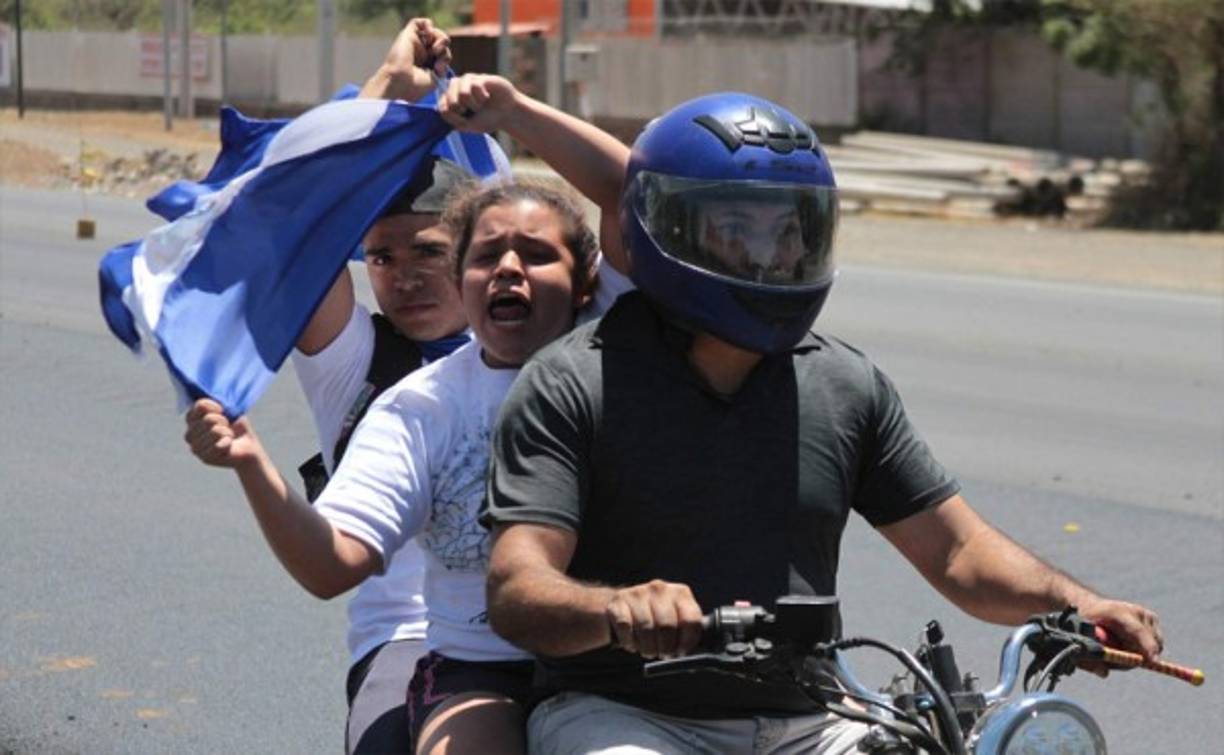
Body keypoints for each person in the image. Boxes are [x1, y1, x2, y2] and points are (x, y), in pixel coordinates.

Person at [480, 92, 1166, 755]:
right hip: (623, 713)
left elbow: (959, 554)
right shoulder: (573, 381)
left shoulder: (843, 383)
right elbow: (517, 588)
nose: (770, 254)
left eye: (788, 229)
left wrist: (1081, 603)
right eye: (737, 228)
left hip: (815, 718)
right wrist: (617, 611)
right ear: (666, 227)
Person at [185, 73, 633, 755]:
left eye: (427, 250)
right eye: (380, 257)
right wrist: (385, 87)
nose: (404, 275)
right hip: (424, 642)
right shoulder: (385, 384)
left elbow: (637, 195)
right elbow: (291, 229)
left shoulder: (594, 339)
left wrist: (513, 113)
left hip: (597, 637)